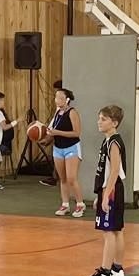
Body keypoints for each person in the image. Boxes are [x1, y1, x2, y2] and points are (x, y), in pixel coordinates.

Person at [84, 106, 128, 276]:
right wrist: (99, 194)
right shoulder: (108, 141)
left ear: (114, 123)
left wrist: (106, 195)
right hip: (110, 189)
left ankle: (105, 272)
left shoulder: (114, 143)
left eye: (103, 119)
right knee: (117, 230)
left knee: (109, 231)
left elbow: (115, 170)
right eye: (99, 118)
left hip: (112, 190)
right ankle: (117, 268)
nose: (99, 122)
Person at [42, 88, 88, 217]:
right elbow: (52, 131)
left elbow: (76, 133)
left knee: (72, 178)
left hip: (71, 147)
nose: (57, 100)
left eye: (60, 97)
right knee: (62, 178)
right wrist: (46, 140)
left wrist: (57, 133)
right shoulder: (57, 113)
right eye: (56, 97)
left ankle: (80, 204)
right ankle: (65, 204)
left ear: (67, 100)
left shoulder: (72, 112)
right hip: (58, 148)